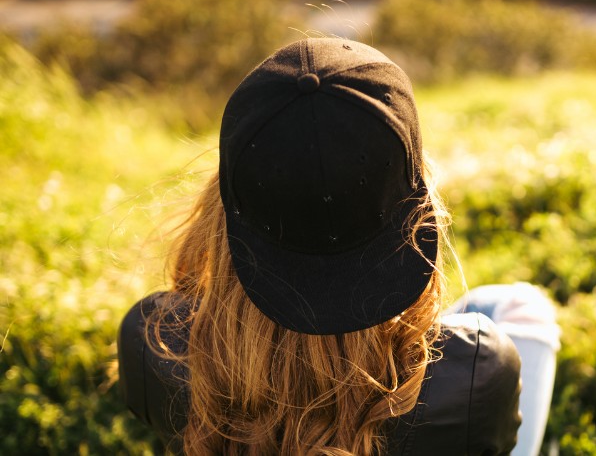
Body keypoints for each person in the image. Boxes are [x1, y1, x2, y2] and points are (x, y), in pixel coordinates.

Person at [117, 38, 560, 455]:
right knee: (517, 306)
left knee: (490, 304)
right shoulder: (476, 373)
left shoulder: (153, 344)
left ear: (225, 202)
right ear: (416, 205)